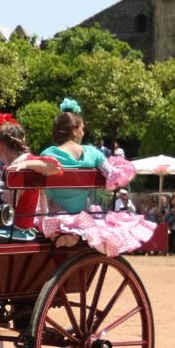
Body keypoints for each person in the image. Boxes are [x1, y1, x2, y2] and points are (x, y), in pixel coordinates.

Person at [37, 98, 153, 255]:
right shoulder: (93, 153)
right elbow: (112, 175)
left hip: (53, 218)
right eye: (82, 129)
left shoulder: (47, 154)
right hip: (82, 217)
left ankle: (66, 235)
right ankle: (76, 235)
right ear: (74, 130)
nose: (84, 133)